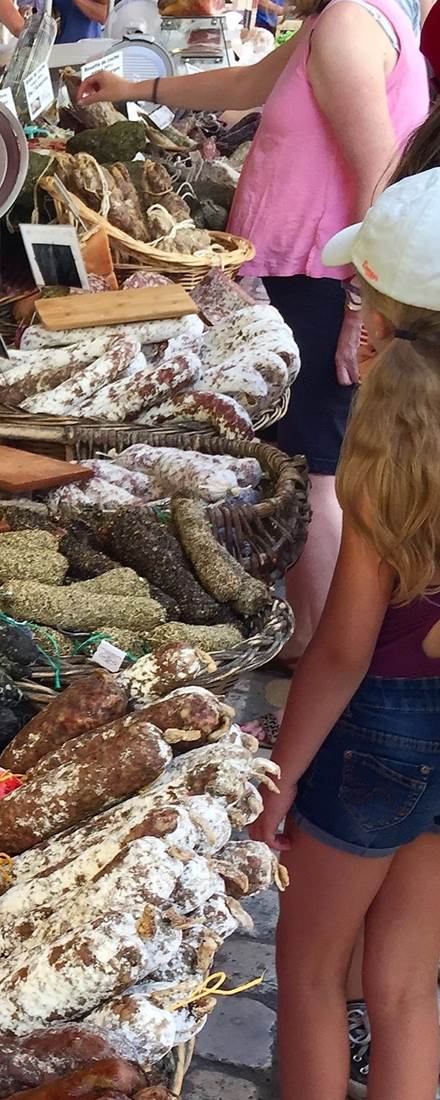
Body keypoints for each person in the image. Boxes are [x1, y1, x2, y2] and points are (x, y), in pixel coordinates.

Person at [79, 0, 427, 663]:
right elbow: (247, 83)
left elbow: (379, 179)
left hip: (325, 284)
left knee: (315, 470)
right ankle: (322, 639)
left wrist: (361, 303)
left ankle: (321, 650)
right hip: (315, 279)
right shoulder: (339, 22)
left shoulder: (352, 21)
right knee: (312, 463)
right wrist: (135, 90)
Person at [249, 167, 440, 1100]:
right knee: (406, 990)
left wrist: (276, 783)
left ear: (378, 327)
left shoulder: (393, 445)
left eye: (359, 293)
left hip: (380, 734)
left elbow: (343, 649)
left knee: (316, 979)